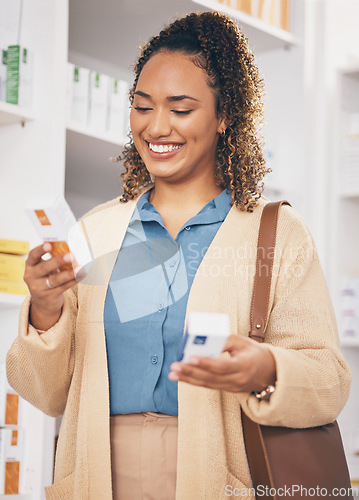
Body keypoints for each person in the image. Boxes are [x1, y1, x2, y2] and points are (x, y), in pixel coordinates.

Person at [6, 11, 351, 500]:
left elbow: (330, 383)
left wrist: (266, 370)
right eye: (142, 106)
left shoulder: (275, 235)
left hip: (214, 478)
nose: (157, 127)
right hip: (97, 478)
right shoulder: (96, 231)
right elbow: (47, 393)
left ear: (224, 114)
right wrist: (45, 310)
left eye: (181, 108)